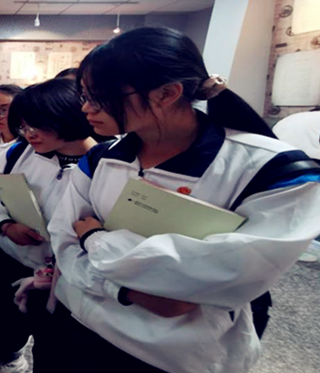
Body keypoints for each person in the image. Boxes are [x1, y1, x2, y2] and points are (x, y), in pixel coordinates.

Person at [47, 27, 320, 373]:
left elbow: (227, 272)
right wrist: (127, 292)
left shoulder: (272, 170)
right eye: (84, 96)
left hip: (174, 356)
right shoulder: (101, 158)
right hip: (79, 328)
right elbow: (64, 239)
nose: (86, 109)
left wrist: (96, 239)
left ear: (167, 93)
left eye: (99, 98)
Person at [0, 79, 97, 373]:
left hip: (71, 276)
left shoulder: (105, 163)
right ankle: (10, 355)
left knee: (53, 341)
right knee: (8, 320)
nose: (29, 134)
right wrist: (5, 224)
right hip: (15, 259)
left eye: (38, 125)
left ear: (69, 118)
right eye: (24, 126)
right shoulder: (18, 153)